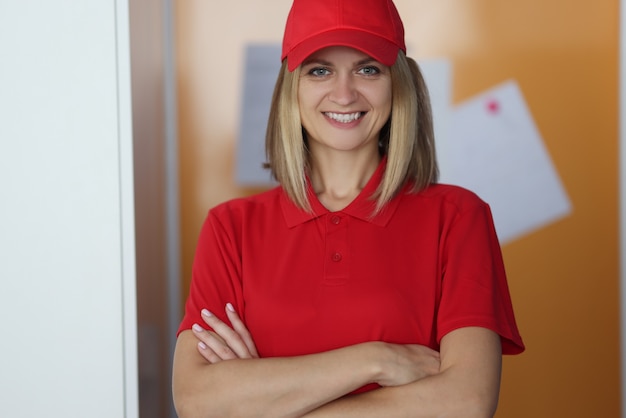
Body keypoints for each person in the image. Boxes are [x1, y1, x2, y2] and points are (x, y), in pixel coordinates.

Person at [172, 0, 525, 416]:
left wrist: (263, 402)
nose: (344, 93)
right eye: (319, 70)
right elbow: (197, 401)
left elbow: (466, 402)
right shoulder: (230, 228)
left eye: (368, 69)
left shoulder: (458, 217)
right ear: (292, 87)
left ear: (399, 84)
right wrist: (375, 359)